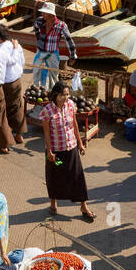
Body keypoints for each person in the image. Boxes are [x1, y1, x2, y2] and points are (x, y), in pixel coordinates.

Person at [39, 82, 94, 221]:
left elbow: (74, 124)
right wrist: (49, 152)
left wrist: (80, 143)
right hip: (56, 151)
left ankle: (83, 206)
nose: (65, 97)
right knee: (54, 177)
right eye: (62, 95)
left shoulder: (70, 105)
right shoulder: (47, 111)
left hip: (71, 147)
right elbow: (46, 133)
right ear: (55, 95)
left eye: (67, 94)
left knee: (78, 177)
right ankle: (53, 203)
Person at [0, 23, 26, 145]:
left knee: (5, 109)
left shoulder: (2, 49)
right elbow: (22, 62)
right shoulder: (16, 44)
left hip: (7, 83)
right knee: (17, 106)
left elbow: (10, 62)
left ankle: (7, 137)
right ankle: (19, 134)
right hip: (17, 80)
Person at [32, 2, 75, 90]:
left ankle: (51, 93)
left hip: (52, 54)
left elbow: (69, 40)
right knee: (37, 74)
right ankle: (38, 91)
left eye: (45, 13)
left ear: (51, 14)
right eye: (42, 12)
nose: (42, 14)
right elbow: (35, 28)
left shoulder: (61, 25)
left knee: (53, 76)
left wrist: (73, 55)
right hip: (40, 52)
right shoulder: (39, 21)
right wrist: (38, 38)